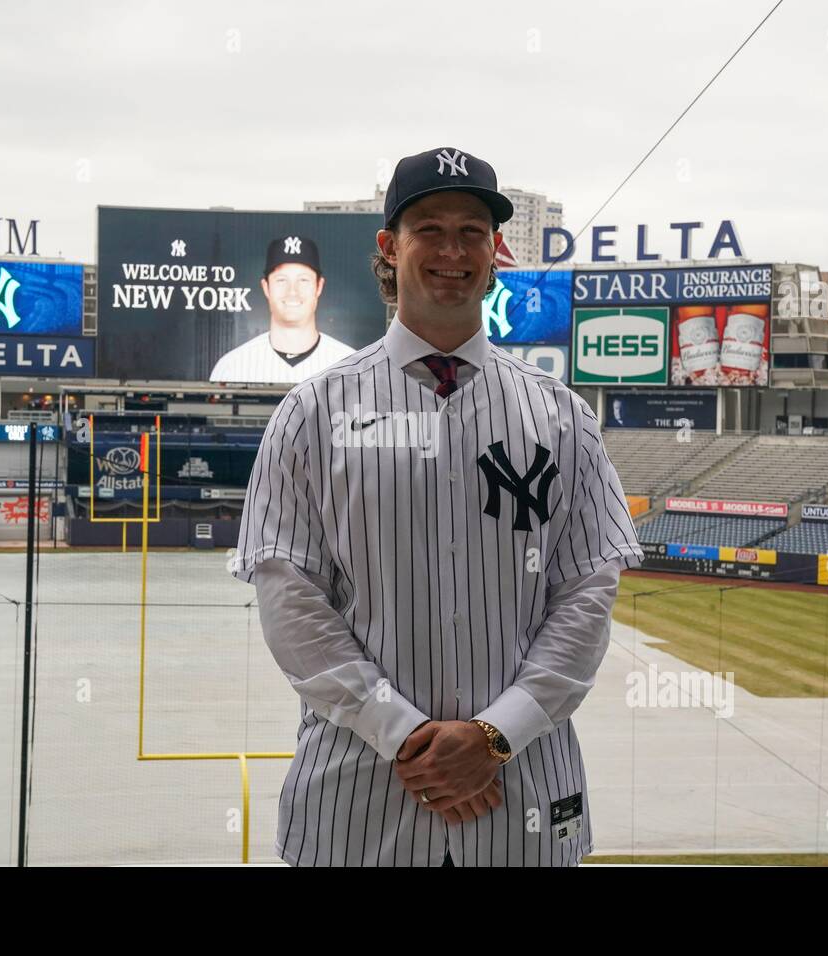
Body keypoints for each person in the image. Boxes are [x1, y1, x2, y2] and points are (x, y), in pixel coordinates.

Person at [230, 146, 643, 866]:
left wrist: (494, 736)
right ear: (390, 247)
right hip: (358, 799)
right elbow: (290, 600)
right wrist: (405, 734)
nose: (452, 250)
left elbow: (586, 594)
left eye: (472, 232)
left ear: (495, 253)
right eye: (430, 228)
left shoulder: (561, 415)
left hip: (524, 795)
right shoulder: (313, 411)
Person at [208, 235, 354, 383]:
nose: (292, 291)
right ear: (266, 287)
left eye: (303, 280)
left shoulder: (351, 367)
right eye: (281, 280)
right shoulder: (231, 367)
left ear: (319, 286)